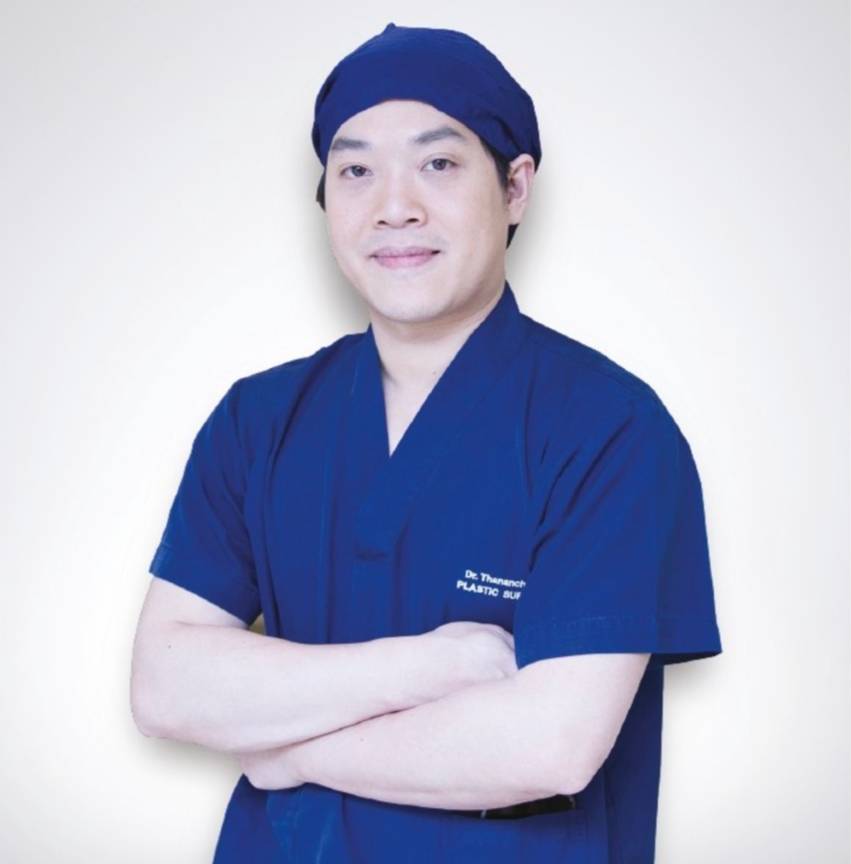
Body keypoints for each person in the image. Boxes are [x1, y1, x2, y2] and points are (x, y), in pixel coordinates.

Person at [131, 21, 723, 863]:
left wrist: (286, 749)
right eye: (356, 170)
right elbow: (164, 685)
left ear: (515, 188)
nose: (394, 207)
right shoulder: (256, 421)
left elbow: (550, 744)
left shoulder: (610, 431)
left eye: (438, 164)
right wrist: (426, 667)